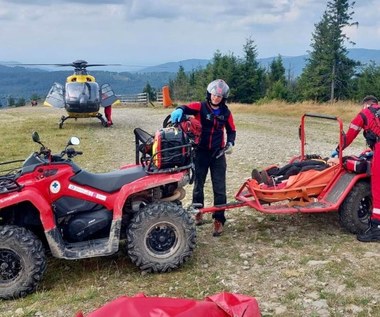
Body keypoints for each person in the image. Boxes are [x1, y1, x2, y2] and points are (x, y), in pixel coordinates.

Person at [170, 79, 237, 237]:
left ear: (223, 98)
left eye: (219, 96)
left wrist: (231, 143)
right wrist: (179, 110)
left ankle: (219, 220)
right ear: (209, 94)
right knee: (198, 184)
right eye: (214, 95)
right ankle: (198, 212)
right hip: (200, 152)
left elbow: (232, 130)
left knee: (219, 188)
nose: (216, 98)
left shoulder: (226, 113)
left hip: (218, 154)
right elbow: (185, 107)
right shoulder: (200, 106)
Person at [332, 95, 380, 242]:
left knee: (377, 188)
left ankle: (376, 228)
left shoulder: (364, 114)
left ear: (365, 105)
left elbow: (351, 134)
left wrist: (339, 149)